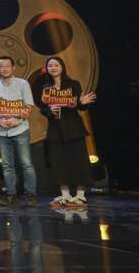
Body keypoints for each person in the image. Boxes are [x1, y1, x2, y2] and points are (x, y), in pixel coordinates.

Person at [38, 56, 97, 207]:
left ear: (62, 67)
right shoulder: (46, 87)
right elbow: (43, 109)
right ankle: (65, 195)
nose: (53, 68)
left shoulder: (73, 84)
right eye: (50, 66)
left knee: (79, 161)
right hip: (55, 129)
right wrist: (49, 110)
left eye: (56, 65)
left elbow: (80, 106)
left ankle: (80, 196)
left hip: (73, 128)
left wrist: (81, 103)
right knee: (59, 163)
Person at [0, 55, 38, 206]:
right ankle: (11, 194)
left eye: (7, 66)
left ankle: (31, 194)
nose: (4, 69)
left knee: (26, 163)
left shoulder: (23, 84)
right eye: (1, 66)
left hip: (20, 129)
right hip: (1, 131)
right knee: (7, 165)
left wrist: (17, 120)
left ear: (13, 68)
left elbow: (28, 105)